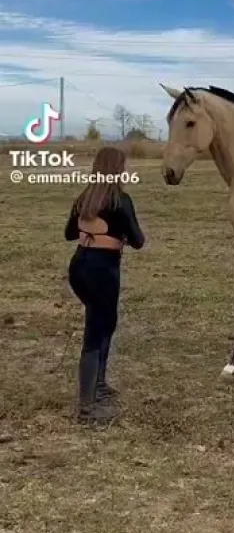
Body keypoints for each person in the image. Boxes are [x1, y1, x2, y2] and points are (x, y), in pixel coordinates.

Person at [64, 145, 145, 424]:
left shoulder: (84, 198)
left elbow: (68, 234)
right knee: (96, 333)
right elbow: (138, 240)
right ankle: (86, 408)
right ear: (117, 169)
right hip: (103, 271)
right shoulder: (120, 200)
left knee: (103, 324)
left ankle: (98, 386)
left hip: (80, 267)